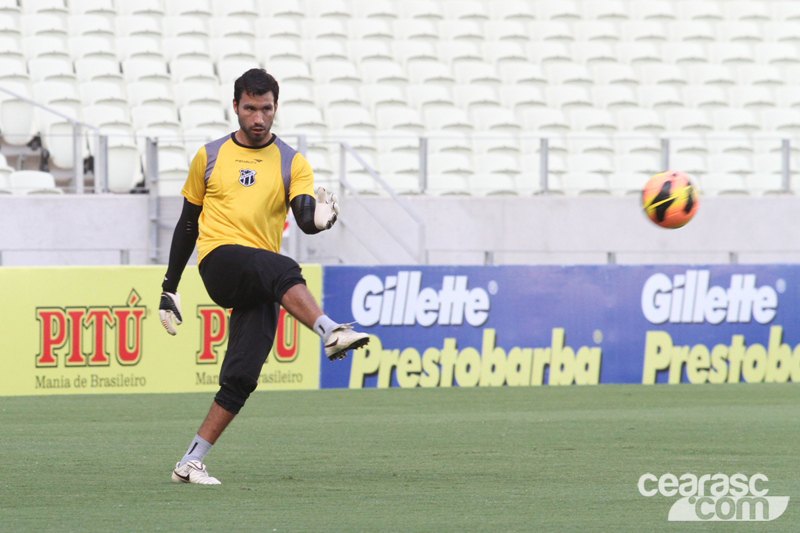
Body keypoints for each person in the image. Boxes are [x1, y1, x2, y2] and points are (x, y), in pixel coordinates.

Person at [158, 68, 370, 485]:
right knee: (284, 268)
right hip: (220, 262)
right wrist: (170, 286)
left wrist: (322, 220)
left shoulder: (293, 162)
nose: (258, 118)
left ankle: (190, 462)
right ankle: (330, 331)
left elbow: (304, 219)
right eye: (250, 109)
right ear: (235, 107)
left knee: (242, 375)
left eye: (266, 109)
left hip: (262, 278)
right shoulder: (210, 155)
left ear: (276, 108)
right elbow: (187, 224)